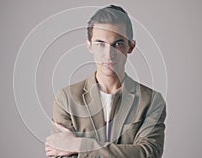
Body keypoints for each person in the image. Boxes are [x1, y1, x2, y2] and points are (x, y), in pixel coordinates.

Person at [45, 5, 166, 158]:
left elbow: (149, 153)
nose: (109, 54)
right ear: (89, 46)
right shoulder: (66, 98)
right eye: (100, 44)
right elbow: (60, 154)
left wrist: (81, 146)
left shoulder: (151, 101)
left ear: (131, 46)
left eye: (118, 44)